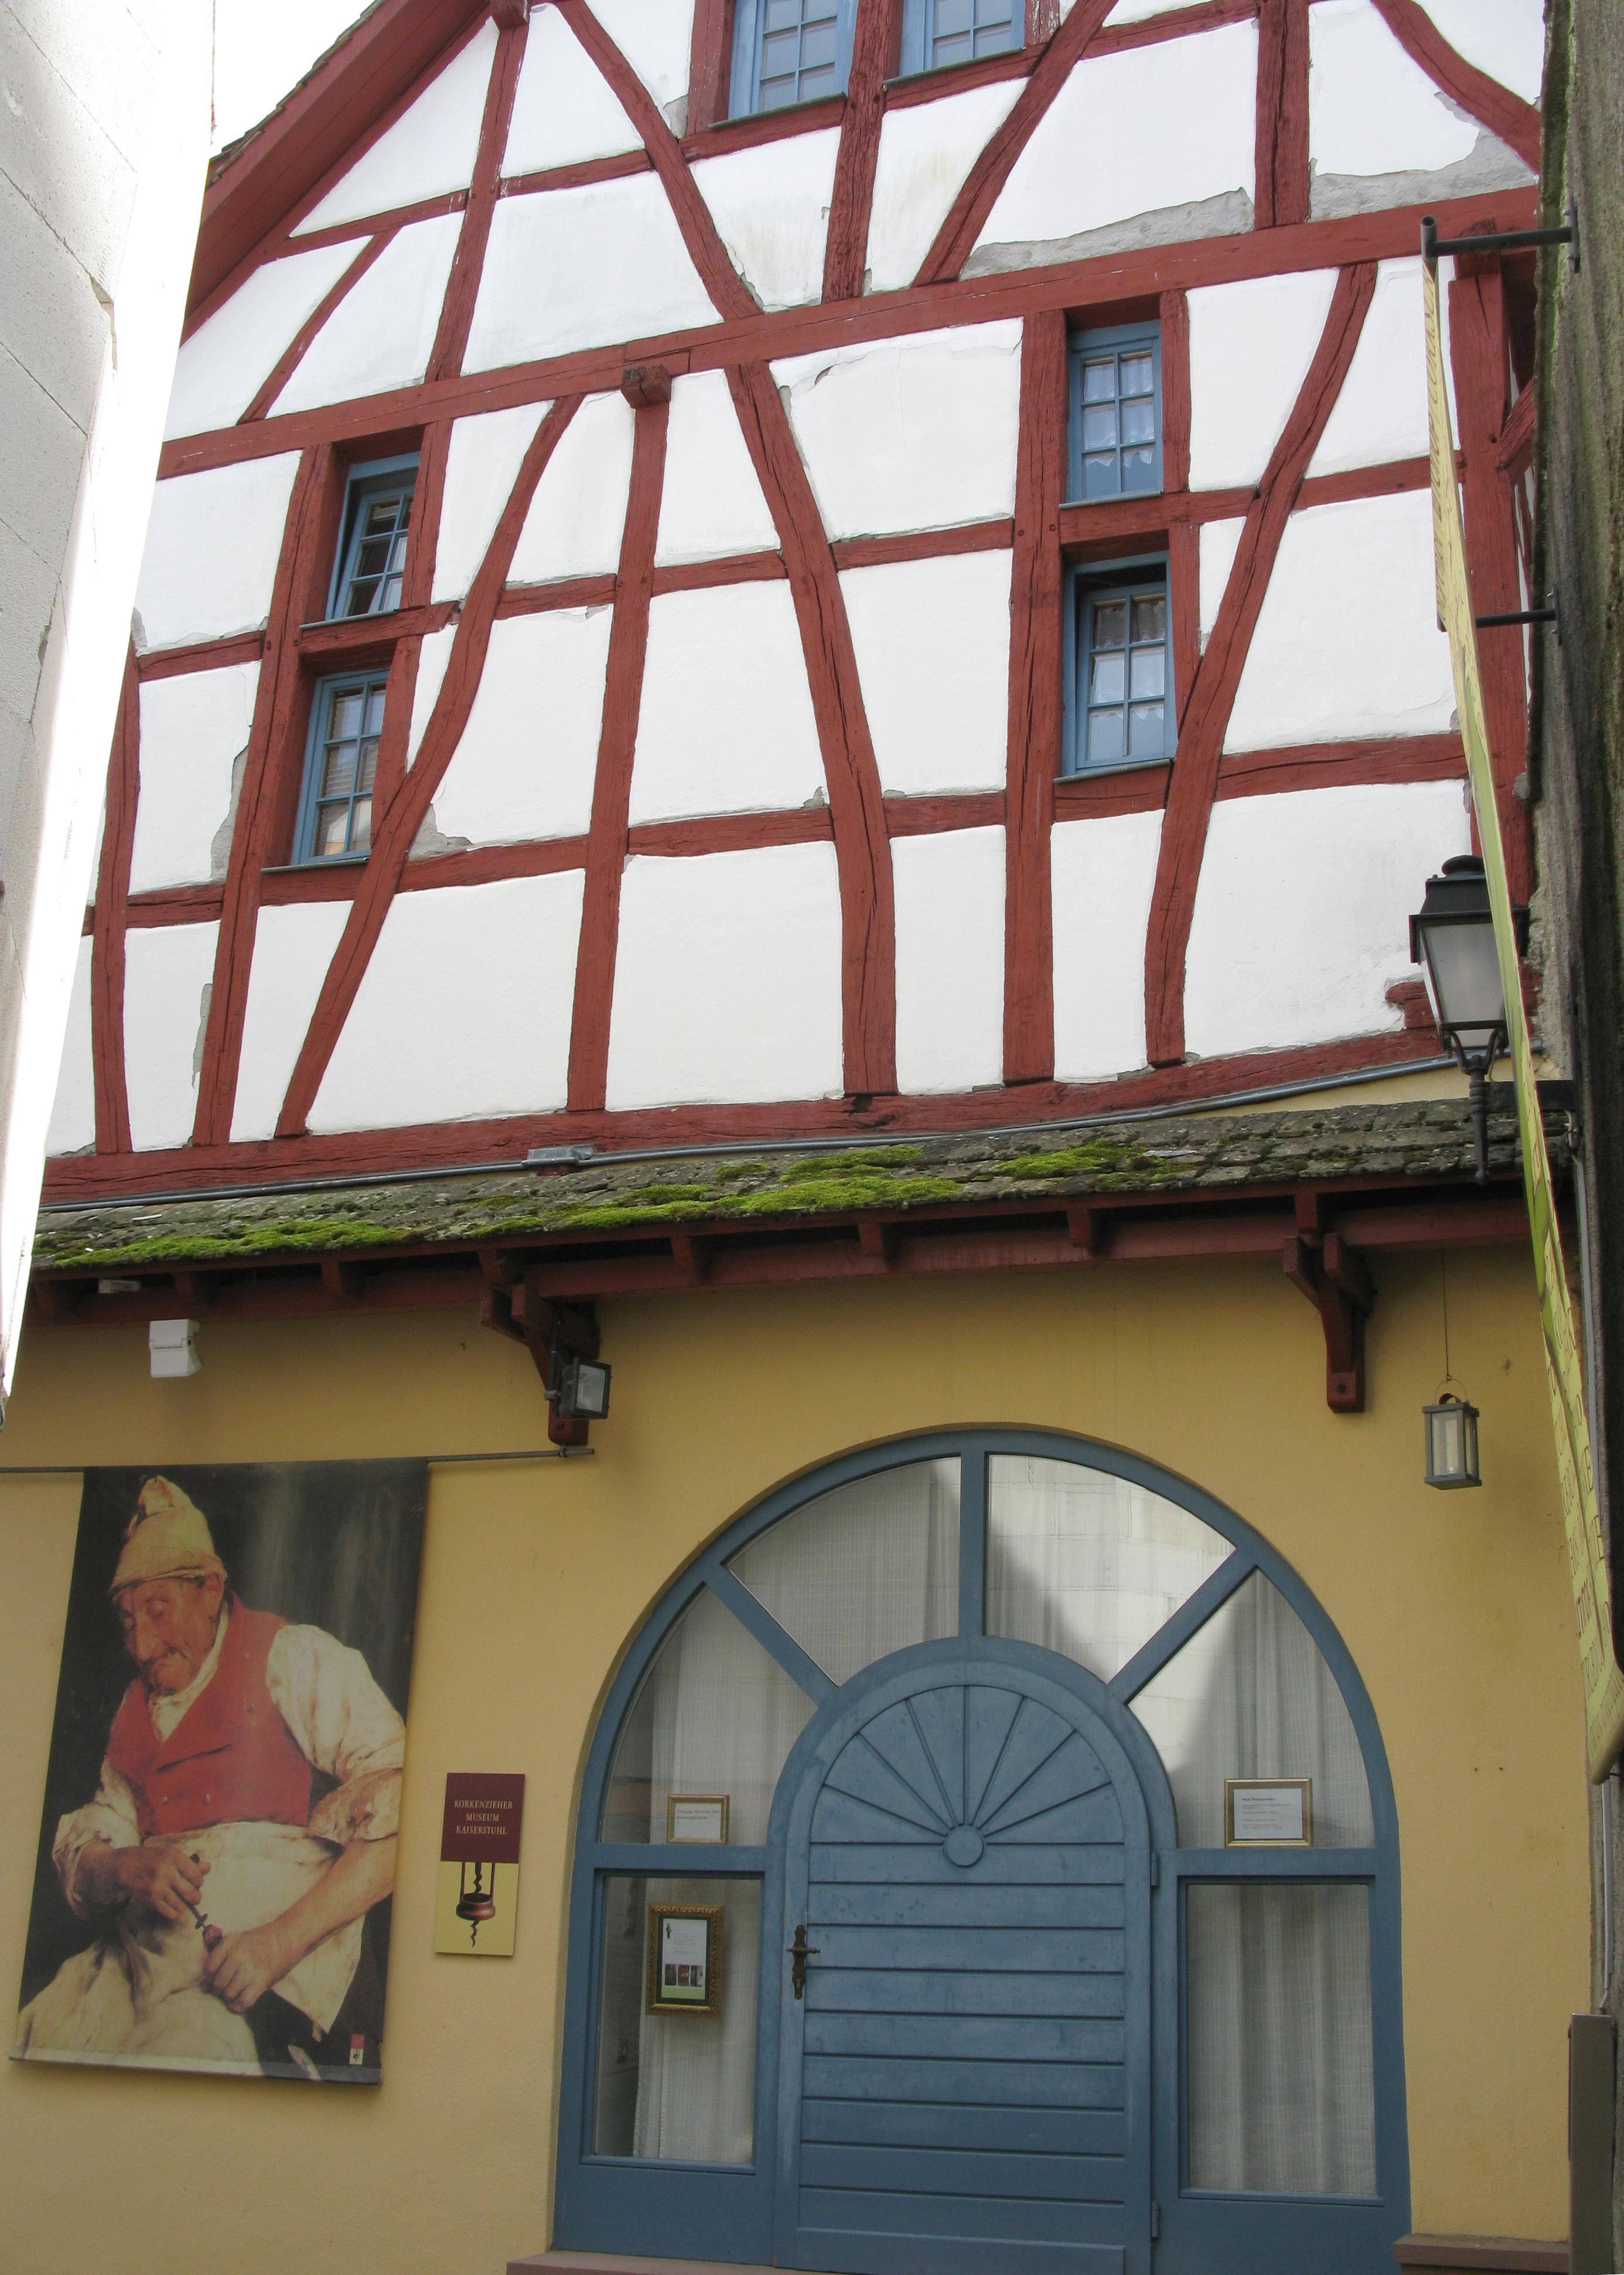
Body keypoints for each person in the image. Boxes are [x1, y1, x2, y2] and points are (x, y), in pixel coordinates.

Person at [14, 1476, 405, 2079]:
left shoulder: (293, 1659)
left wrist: (277, 1944)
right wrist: (124, 1866)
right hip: (135, 1969)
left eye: (158, 1612)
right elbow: (87, 1847)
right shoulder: (134, 1707)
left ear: (210, 1591)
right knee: (42, 2035)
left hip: (257, 1980)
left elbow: (405, 1805)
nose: (141, 1645)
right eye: (127, 1622)